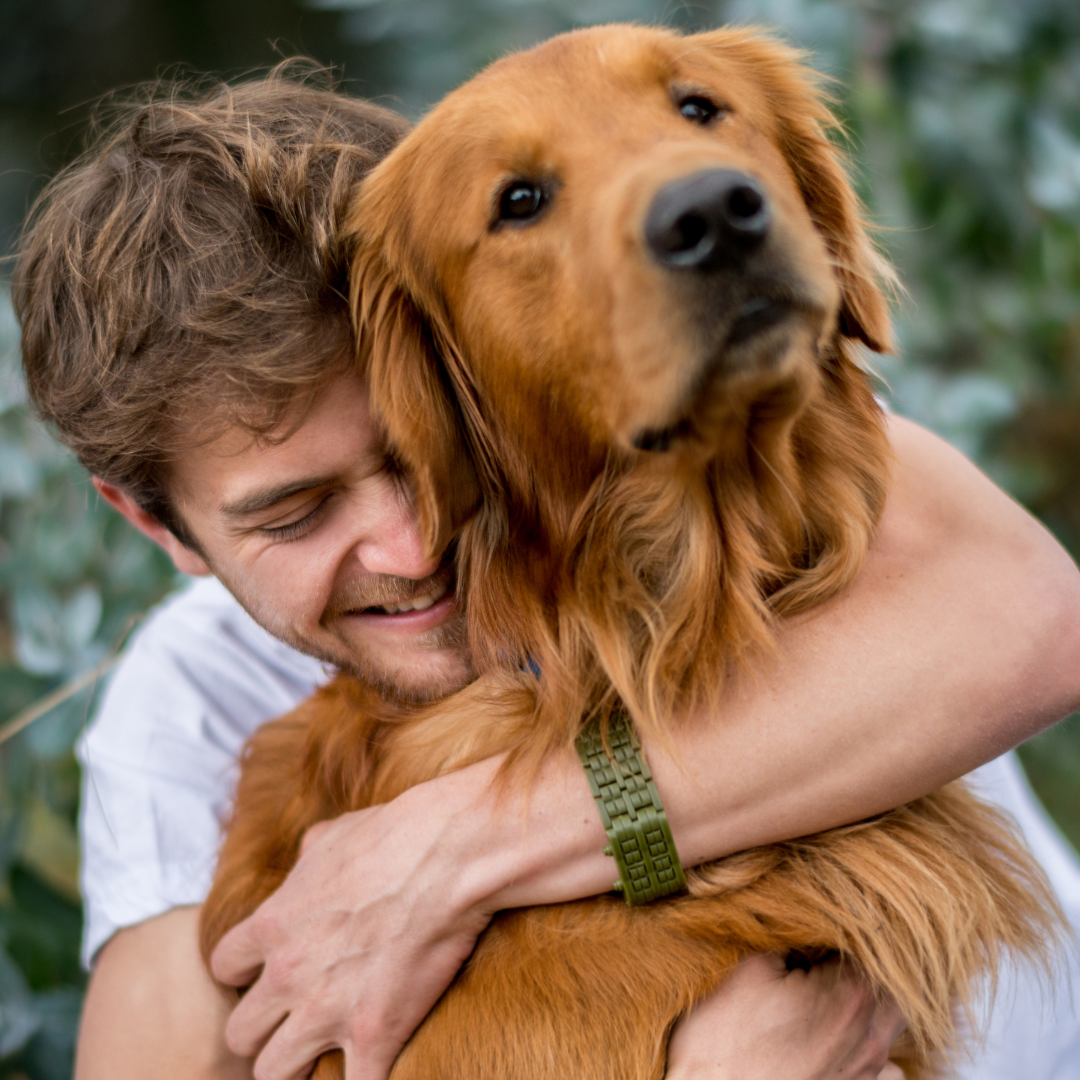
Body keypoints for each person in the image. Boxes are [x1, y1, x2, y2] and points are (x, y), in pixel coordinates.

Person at [13, 68, 1080, 1080]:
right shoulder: (190, 704)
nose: (414, 546)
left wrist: (462, 845)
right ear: (161, 528)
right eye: (296, 514)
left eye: (429, 447)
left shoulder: (700, 454)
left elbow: (1036, 620)